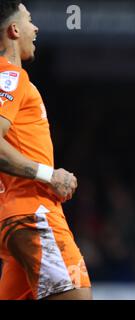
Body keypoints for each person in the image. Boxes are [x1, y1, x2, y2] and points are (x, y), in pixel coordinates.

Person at [0, 1, 91, 299]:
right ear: (14, 30)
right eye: (29, 20)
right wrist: (48, 175)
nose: (35, 28)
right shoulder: (10, 76)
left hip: (14, 221)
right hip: (33, 212)